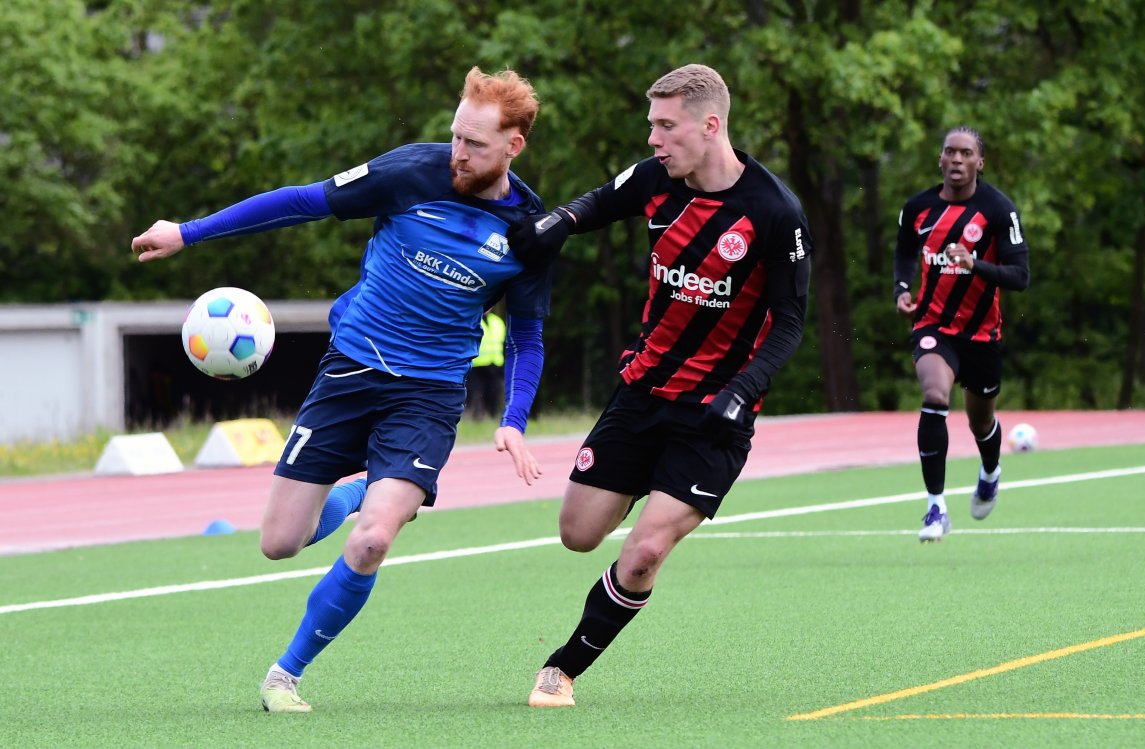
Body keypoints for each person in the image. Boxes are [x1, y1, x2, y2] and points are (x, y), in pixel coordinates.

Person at [132, 67, 553, 712]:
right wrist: (187, 233)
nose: (458, 154)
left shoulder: (528, 231)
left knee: (374, 539)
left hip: (429, 396)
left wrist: (515, 417)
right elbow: (303, 201)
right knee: (279, 543)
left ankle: (285, 673)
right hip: (351, 372)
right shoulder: (410, 172)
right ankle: (361, 489)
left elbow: (527, 336)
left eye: (475, 144)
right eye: (455, 136)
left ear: (513, 146)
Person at [506, 63, 812, 707]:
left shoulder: (773, 211)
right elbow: (596, 202)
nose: (653, 140)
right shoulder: (655, 180)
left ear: (710, 124)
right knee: (578, 533)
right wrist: (557, 224)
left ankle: (561, 669)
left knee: (644, 552)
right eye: (652, 125)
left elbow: (789, 323)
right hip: (642, 394)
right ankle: (639, 490)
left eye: (665, 127)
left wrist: (743, 388)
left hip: (715, 416)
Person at [893, 125, 1030, 542]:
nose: (956, 159)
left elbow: (1020, 276)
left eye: (965, 153)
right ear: (940, 159)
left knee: (980, 423)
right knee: (935, 397)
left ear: (979, 162)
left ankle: (990, 471)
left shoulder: (998, 211)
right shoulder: (917, 208)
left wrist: (975, 266)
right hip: (933, 325)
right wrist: (902, 289)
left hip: (982, 335)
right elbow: (903, 253)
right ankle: (935, 508)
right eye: (949, 152)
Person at [466, 309, 507, 418]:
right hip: (476, 365)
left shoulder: (497, 322)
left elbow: (503, 344)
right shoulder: (472, 320)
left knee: (493, 394)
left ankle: (492, 416)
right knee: (475, 394)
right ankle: (475, 417)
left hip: (494, 365)